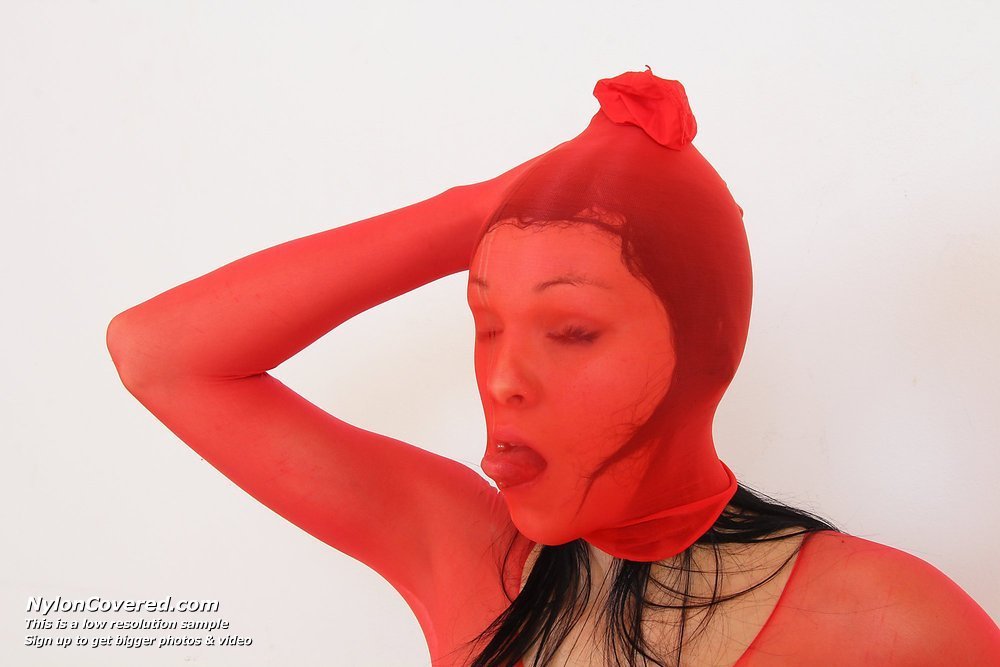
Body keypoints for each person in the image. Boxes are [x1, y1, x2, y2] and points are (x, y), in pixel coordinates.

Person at [106, 68, 1000, 666]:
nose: (503, 378)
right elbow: (159, 353)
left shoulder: (894, 621)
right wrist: (484, 208)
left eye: (571, 330)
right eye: (486, 322)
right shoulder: (469, 557)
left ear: (706, 351)